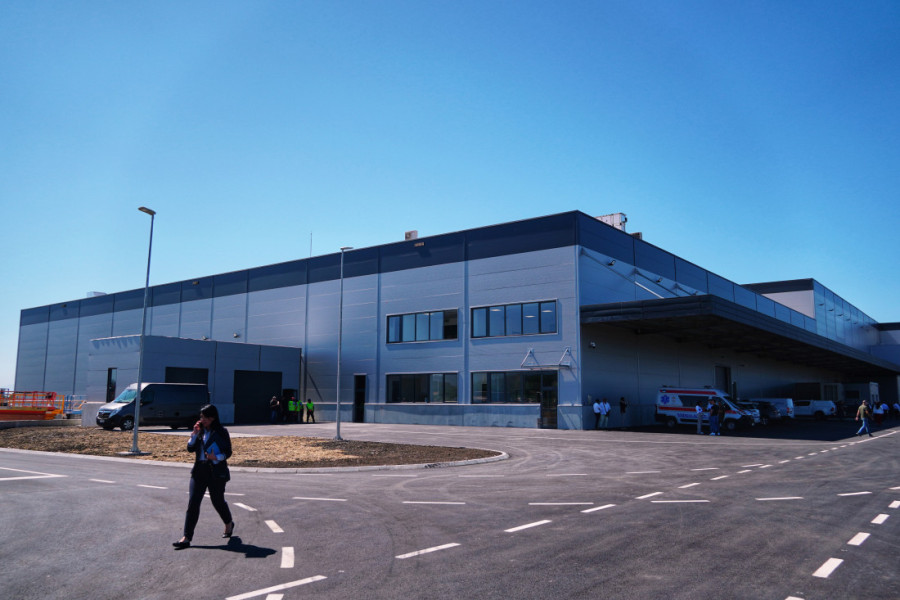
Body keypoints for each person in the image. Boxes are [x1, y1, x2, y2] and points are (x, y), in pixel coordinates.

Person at [173, 404, 234, 549]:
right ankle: (186, 537)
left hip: (215, 471)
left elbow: (228, 452)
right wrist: (194, 435)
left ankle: (229, 523)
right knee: (193, 502)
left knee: (217, 501)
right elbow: (190, 449)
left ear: (213, 418)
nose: (203, 420)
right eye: (201, 417)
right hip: (199, 471)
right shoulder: (199, 431)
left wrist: (216, 457)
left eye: (206, 417)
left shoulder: (221, 431)